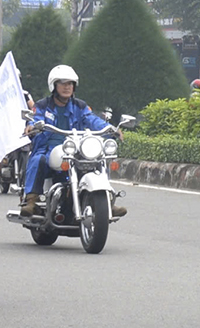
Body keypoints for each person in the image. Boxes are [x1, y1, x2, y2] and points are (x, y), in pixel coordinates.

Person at [18, 65, 124, 217]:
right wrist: (32, 126)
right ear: (54, 85)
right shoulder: (42, 105)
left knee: (99, 160)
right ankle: (31, 200)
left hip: (75, 148)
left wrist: (111, 129)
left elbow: (92, 119)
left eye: (70, 84)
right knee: (37, 159)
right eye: (62, 83)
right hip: (48, 148)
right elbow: (36, 119)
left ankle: (106, 201)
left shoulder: (80, 106)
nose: (67, 87)